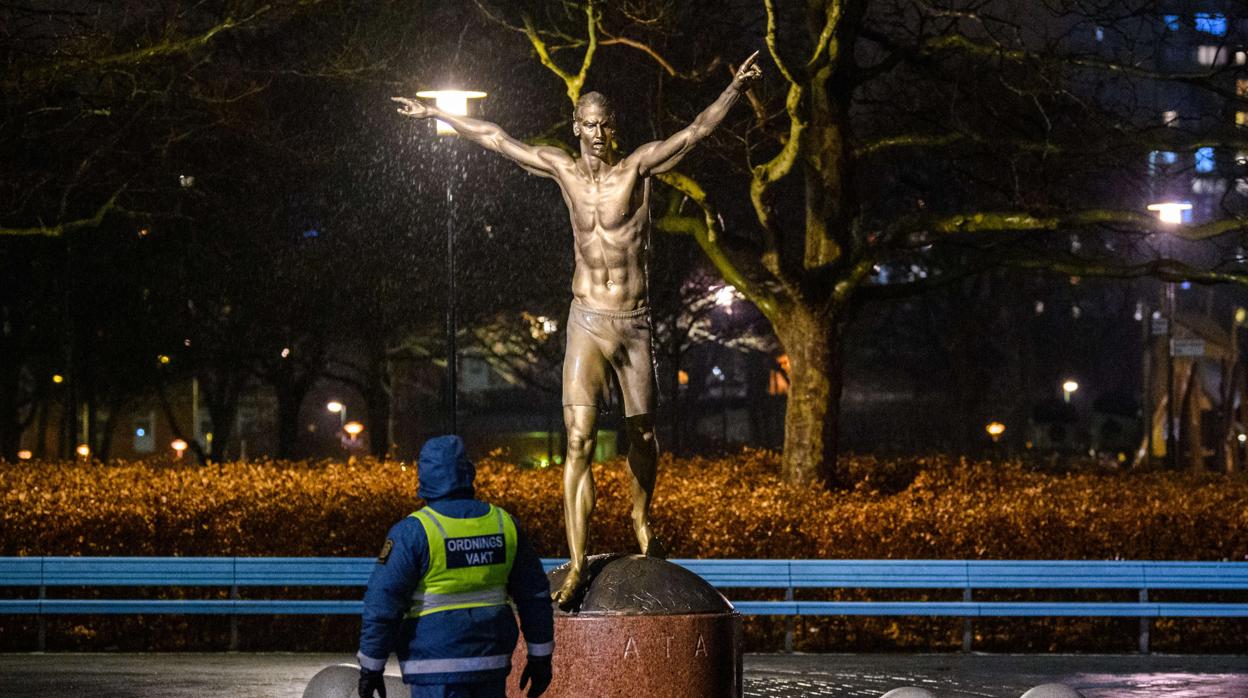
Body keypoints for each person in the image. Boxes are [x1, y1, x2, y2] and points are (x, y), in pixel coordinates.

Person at [392, 51, 762, 608]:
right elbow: (494, 137)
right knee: (578, 441)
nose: (594, 133)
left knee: (642, 434)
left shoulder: (636, 167)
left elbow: (694, 133)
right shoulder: (562, 168)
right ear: (576, 127)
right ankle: (576, 563)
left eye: (603, 124)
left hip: (633, 322)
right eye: (586, 124)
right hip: (586, 318)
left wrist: (733, 88)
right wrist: (433, 115)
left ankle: (641, 515)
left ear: (614, 128)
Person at [356, 435, 554, 698]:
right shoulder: (504, 524)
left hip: (433, 668)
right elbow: (535, 596)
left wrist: (371, 667)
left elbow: (383, 603)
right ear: (468, 472)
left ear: (423, 478)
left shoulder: (414, 532)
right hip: (491, 662)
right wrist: (540, 656)